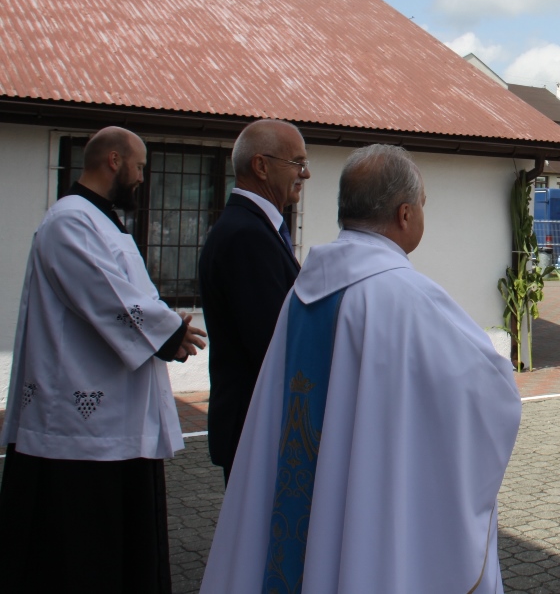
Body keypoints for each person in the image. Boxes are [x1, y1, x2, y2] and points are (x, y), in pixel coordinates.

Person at [199, 144, 521, 593]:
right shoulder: (407, 296)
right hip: (363, 496)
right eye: (423, 204)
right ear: (405, 214)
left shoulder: (304, 290)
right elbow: (489, 390)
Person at [0, 126, 206, 593]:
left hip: (113, 420)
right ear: (113, 161)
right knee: (81, 554)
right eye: (139, 167)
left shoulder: (101, 221)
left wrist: (161, 327)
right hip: (75, 428)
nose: (141, 177)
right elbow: (107, 296)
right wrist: (167, 332)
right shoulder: (69, 222)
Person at [198, 119, 307, 484]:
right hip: (256, 425)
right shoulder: (247, 235)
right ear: (261, 166)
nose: (305, 174)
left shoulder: (255, 227)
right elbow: (272, 342)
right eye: (296, 162)